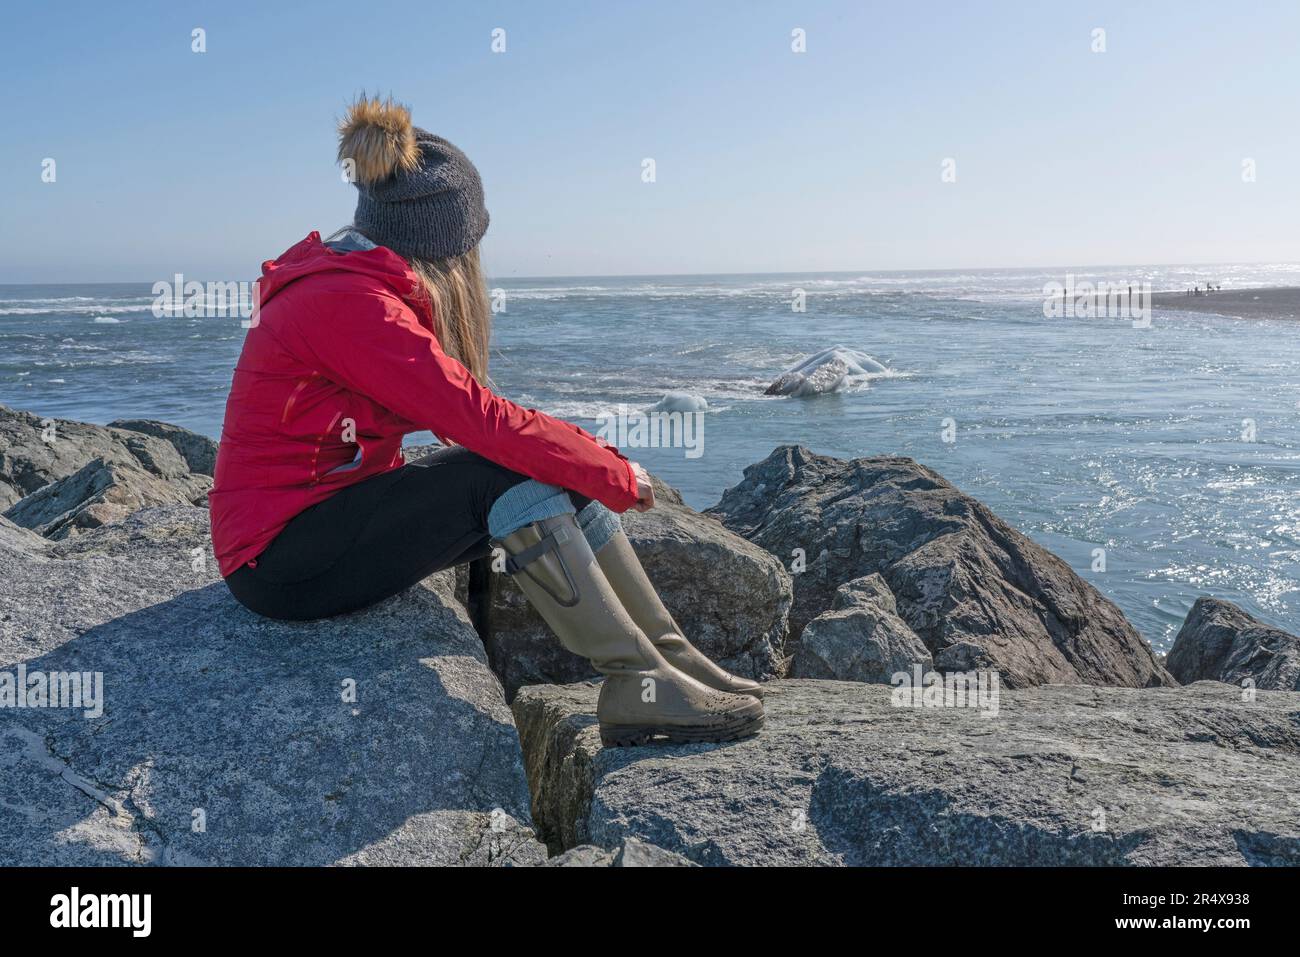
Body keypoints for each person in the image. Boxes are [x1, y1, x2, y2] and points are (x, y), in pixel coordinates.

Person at [209, 97, 764, 747]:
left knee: (534, 469)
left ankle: (667, 658)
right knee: (500, 475)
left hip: (324, 521)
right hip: (277, 559)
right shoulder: (351, 303)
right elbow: (477, 419)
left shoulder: (358, 280)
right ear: (447, 243)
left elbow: (474, 420)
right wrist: (608, 468)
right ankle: (634, 680)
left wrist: (586, 462)